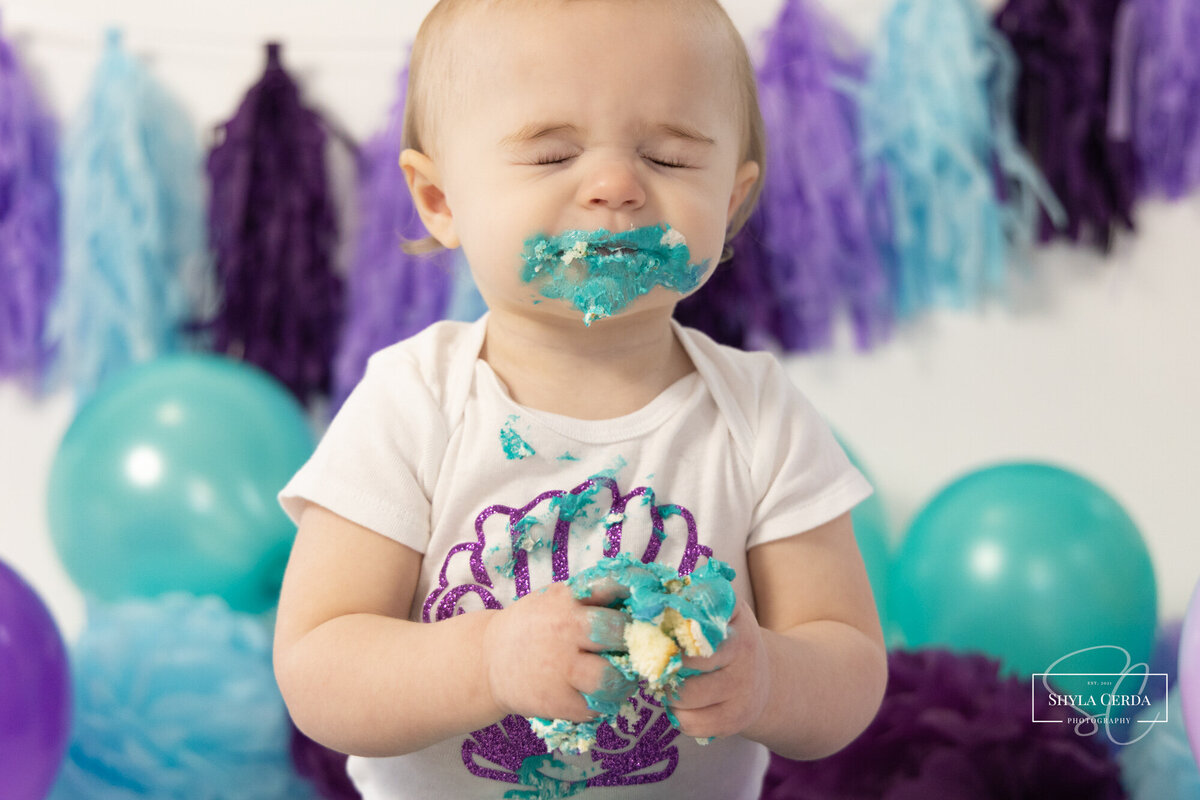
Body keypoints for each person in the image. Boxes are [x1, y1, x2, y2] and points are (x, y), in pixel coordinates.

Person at [272, 0, 887, 797]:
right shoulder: (414, 401)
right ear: (439, 200)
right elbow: (319, 667)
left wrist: (769, 678)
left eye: (668, 158)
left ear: (731, 205)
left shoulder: (760, 413)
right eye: (550, 155)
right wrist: (491, 659)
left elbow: (849, 665)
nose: (614, 186)